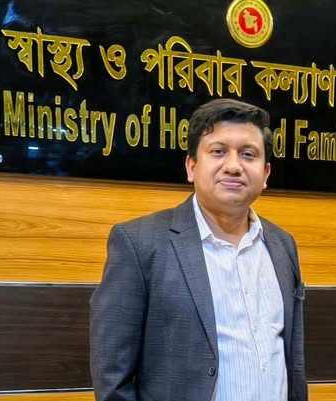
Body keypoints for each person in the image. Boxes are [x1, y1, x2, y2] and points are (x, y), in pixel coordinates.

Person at [90, 98, 308, 401]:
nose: (234, 166)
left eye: (248, 154)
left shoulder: (282, 245)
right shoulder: (139, 244)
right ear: (191, 166)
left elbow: (291, 359)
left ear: (266, 173)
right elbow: (112, 377)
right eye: (218, 151)